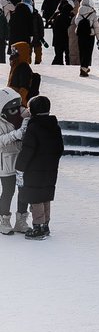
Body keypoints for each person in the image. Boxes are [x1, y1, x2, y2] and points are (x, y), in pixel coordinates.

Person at [16, 94, 64, 240]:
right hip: (50, 169)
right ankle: (46, 225)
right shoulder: (54, 126)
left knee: (35, 197)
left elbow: (27, 150)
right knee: (45, 196)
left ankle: (38, 228)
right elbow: (60, 148)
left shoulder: (34, 127)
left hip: (34, 170)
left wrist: (20, 167)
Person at [0, 87, 30, 235]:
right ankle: (3, 220)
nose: (16, 111)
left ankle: (21, 220)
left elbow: (28, 111)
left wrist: (30, 115)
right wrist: (16, 134)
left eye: (17, 106)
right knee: (8, 191)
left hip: (22, 160)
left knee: (24, 191)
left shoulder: (21, 113)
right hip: (5, 162)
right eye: (12, 108)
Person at [74, 0, 99, 76]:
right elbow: (96, 26)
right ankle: (84, 69)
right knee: (88, 52)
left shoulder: (79, 12)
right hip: (90, 35)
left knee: (82, 51)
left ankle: (83, 67)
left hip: (81, 34)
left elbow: (76, 22)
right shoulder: (92, 13)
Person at [51, 0, 74, 66]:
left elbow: (52, 24)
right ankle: (68, 67)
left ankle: (57, 68)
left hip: (57, 39)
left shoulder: (58, 16)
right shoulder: (68, 18)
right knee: (67, 56)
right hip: (66, 39)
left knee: (58, 56)